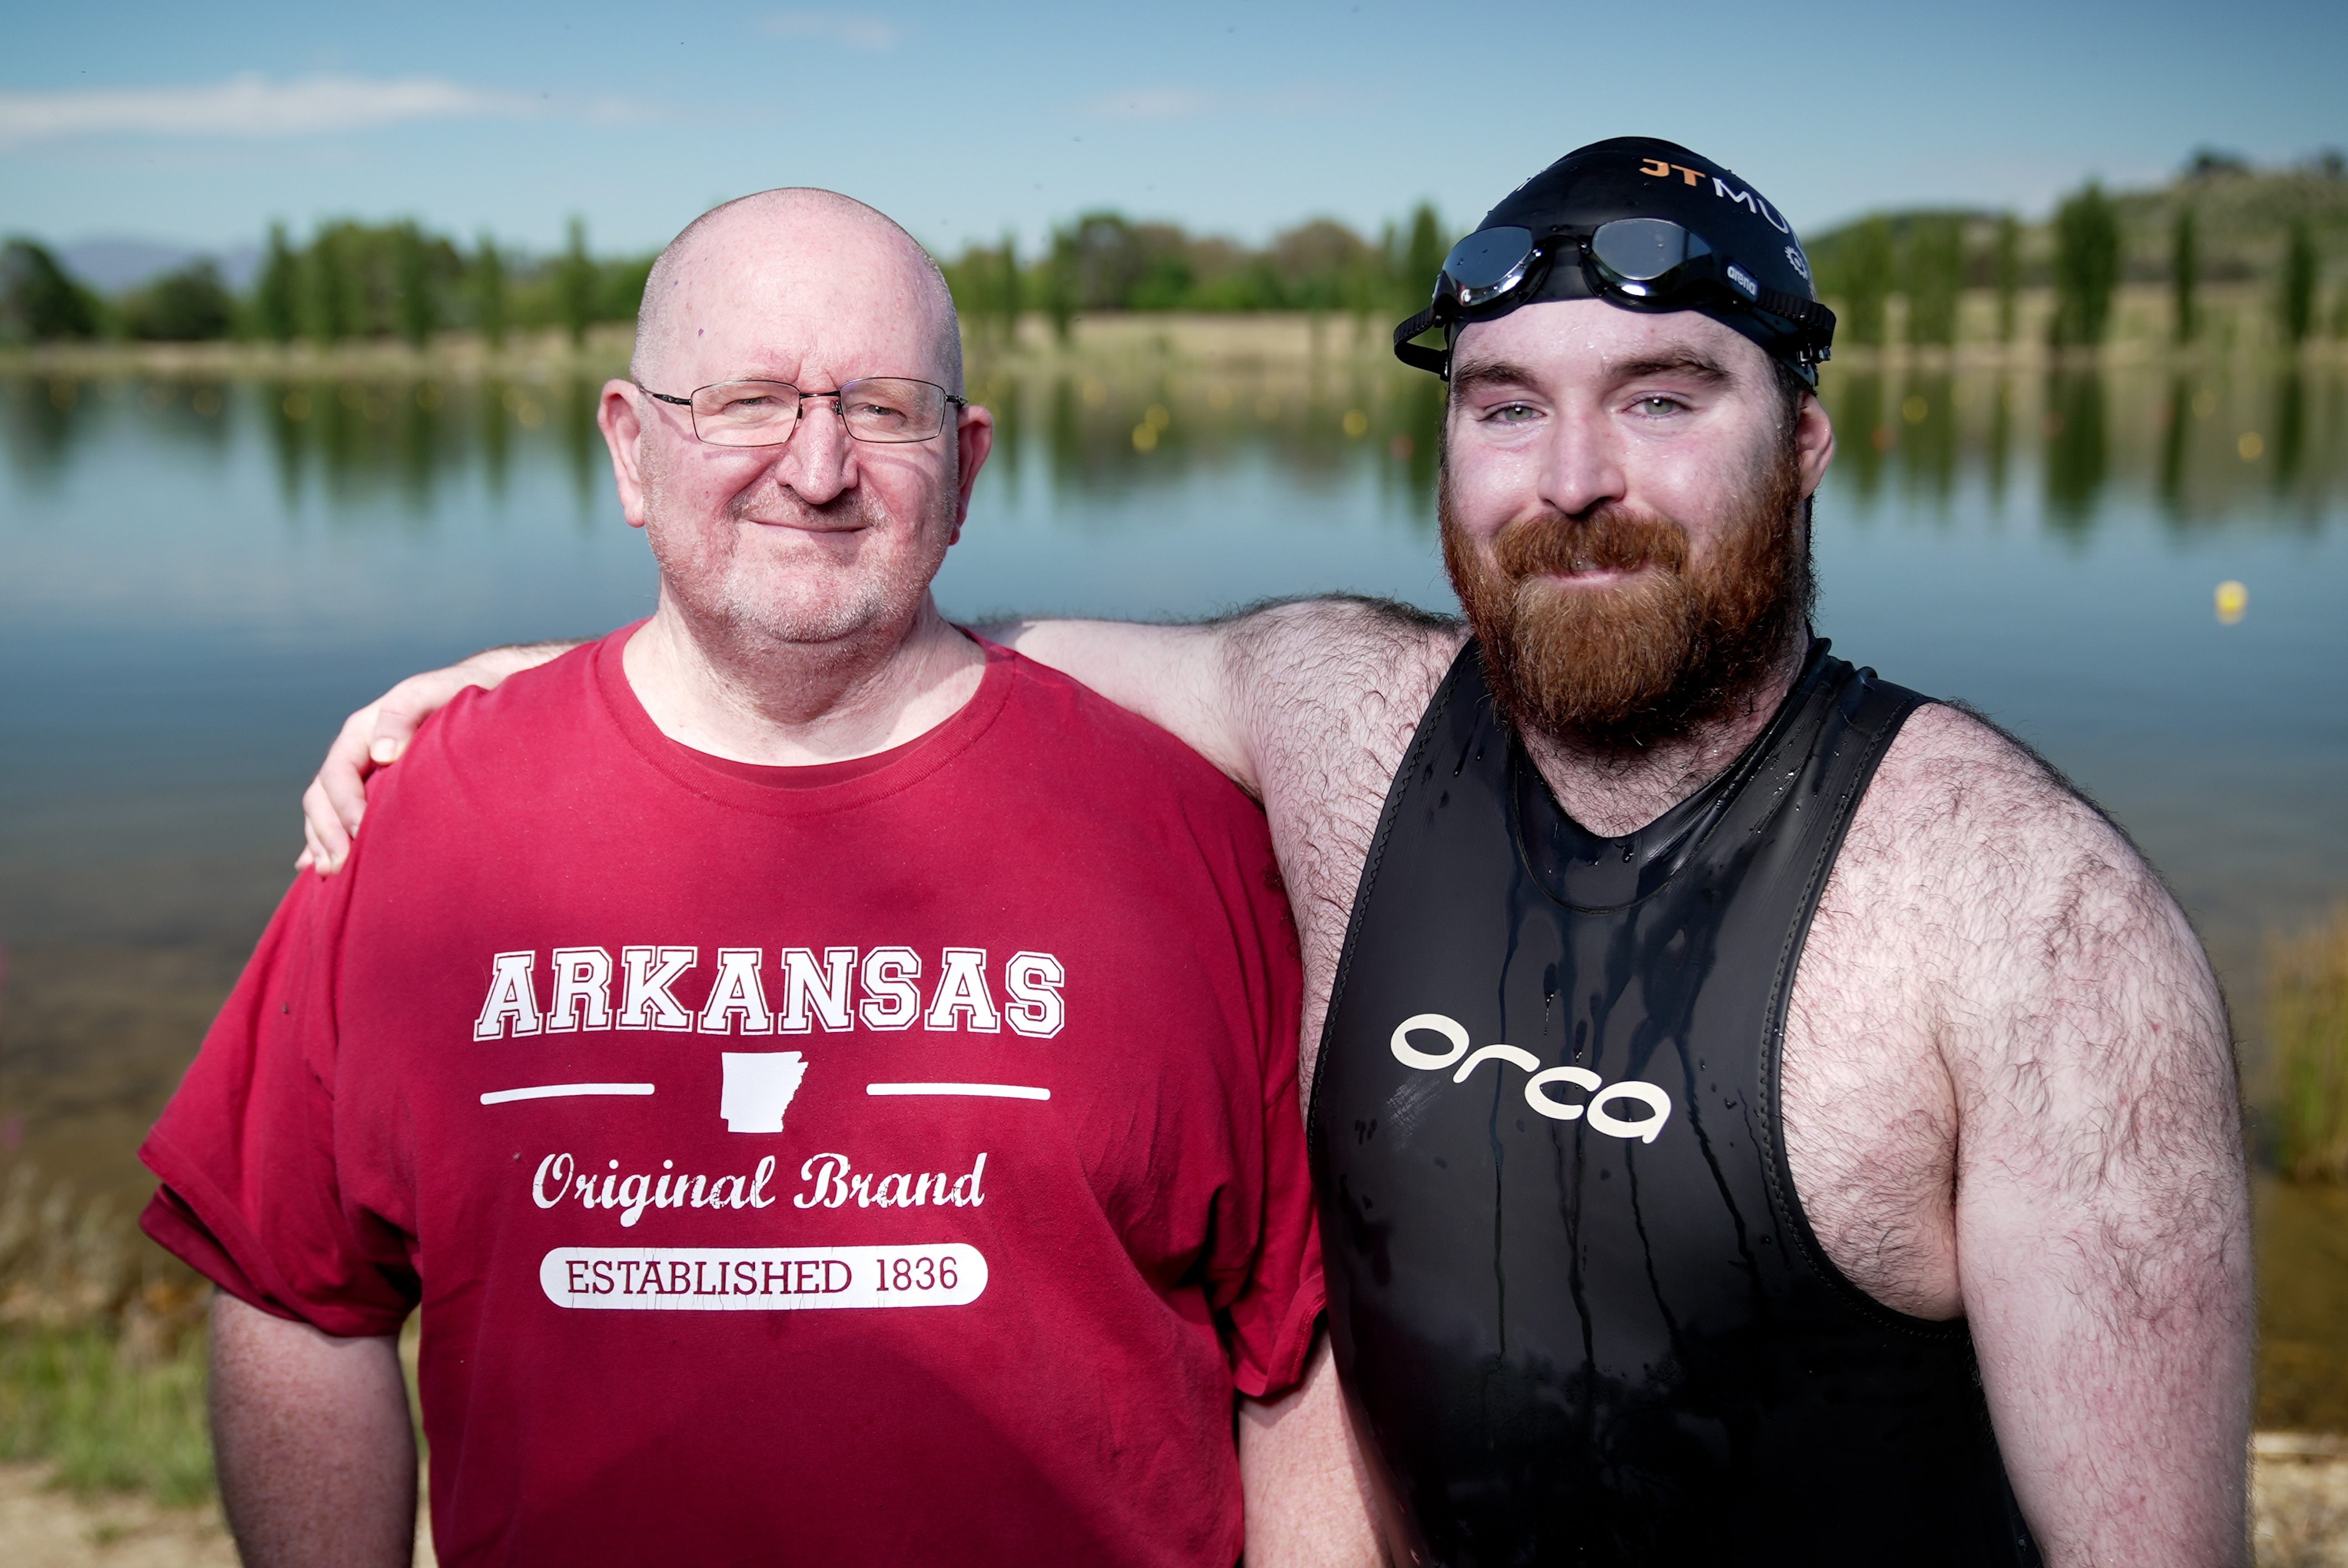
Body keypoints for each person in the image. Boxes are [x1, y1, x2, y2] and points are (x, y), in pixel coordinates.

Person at [301, 140, 2253, 1566]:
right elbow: (928, 637)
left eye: (1664, 401)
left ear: (1804, 444)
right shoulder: (1341, 719)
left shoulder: (2028, 921)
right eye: (1507, 405)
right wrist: (564, 678)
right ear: (1449, 445)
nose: (1574, 477)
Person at [142, 188, 1345, 1568]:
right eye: (747, 400)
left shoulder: (1182, 834)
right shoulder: (421, 825)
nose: (818, 465)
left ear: (967, 464)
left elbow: (1291, 1346)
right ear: (629, 447)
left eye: (882, 409)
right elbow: (300, 1294)